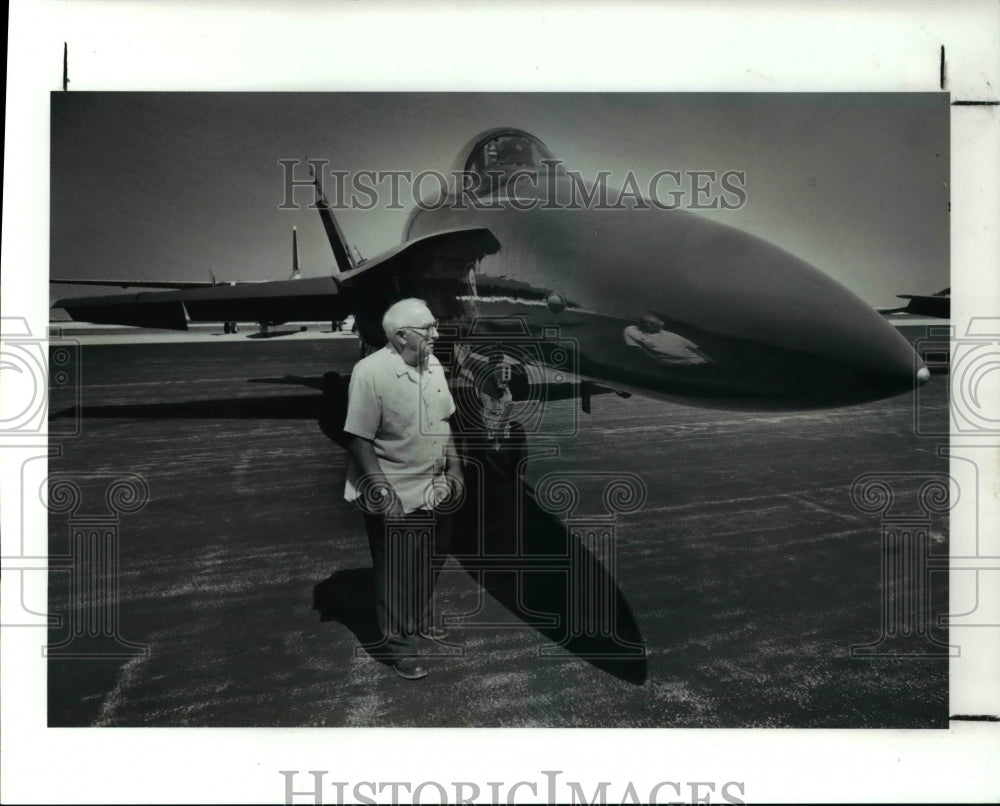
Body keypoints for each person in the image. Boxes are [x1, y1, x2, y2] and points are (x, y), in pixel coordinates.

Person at [342, 298, 463, 680]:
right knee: (395, 571)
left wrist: (456, 467)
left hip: (435, 487)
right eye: (428, 329)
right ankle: (399, 646)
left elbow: (445, 421)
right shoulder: (370, 372)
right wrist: (382, 491)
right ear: (400, 336)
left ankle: (421, 616)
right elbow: (358, 439)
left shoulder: (435, 368)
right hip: (393, 487)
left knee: (430, 560)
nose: (436, 334)